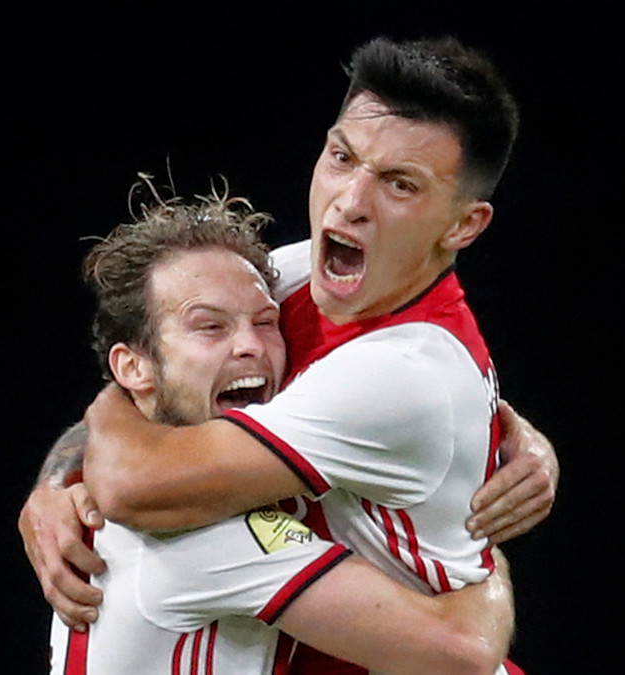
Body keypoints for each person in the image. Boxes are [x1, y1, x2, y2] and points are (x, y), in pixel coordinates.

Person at [21, 35, 559, 673]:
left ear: (463, 225)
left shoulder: (409, 378)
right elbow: (160, 375)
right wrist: (55, 479)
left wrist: (490, 580)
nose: (350, 202)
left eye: (400, 184)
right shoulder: (289, 281)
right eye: (342, 156)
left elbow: (133, 483)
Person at [47, 186, 516, 674]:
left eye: (266, 322)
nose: (250, 345)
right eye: (210, 327)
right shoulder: (199, 532)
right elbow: (463, 652)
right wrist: (479, 559)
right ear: (132, 368)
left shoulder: (121, 467)